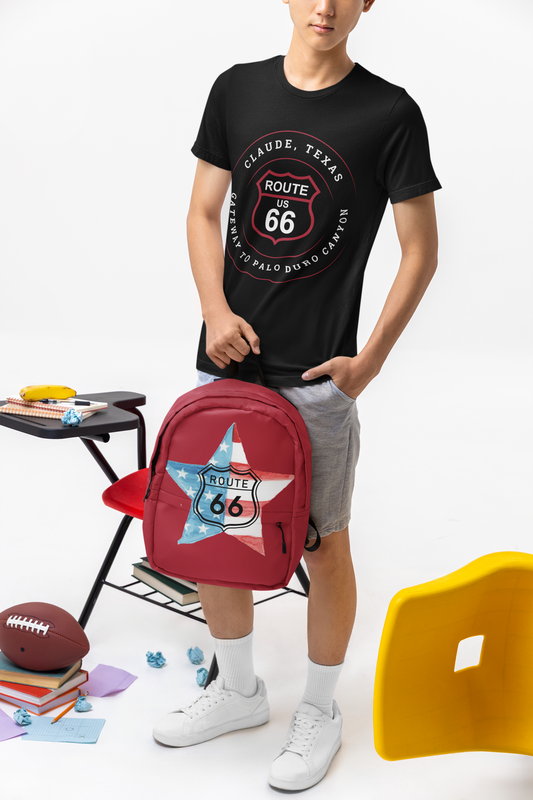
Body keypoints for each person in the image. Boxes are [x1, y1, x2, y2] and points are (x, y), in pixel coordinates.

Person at [153, 0, 441, 791]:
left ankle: (320, 708)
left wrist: (370, 359)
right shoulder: (237, 89)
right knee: (218, 534)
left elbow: (420, 250)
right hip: (226, 372)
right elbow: (203, 211)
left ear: (368, 4)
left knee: (323, 548)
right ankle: (239, 691)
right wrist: (213, 309)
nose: (325, 7)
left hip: (317, 385)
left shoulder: (388, 111)